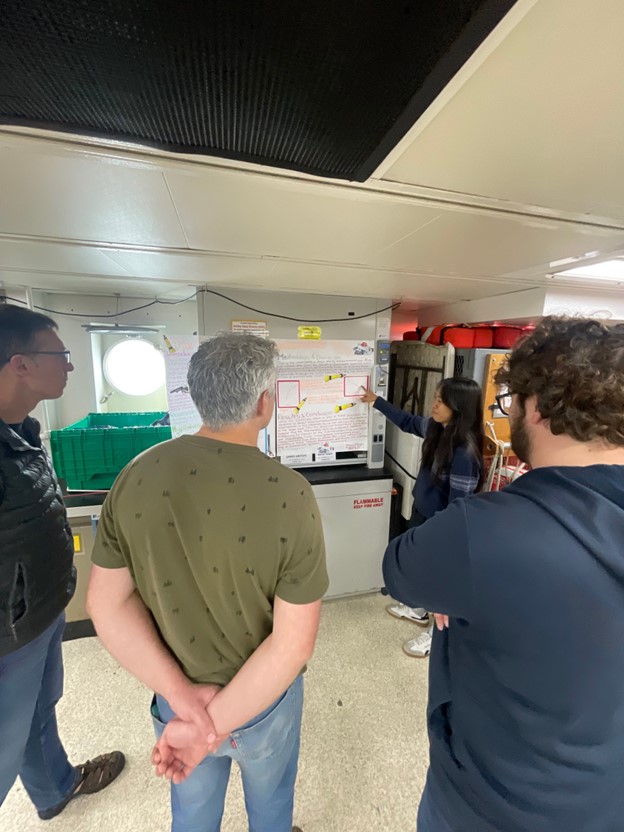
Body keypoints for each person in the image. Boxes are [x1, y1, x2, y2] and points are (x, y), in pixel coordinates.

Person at [383, 317, 624, 832]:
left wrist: (464, 565)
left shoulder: (483, 534)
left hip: (489, 806)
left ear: (535, 406)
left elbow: (398, 568)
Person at [87, 332, 328, 832]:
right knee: (271, 806)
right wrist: (214, 726)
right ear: (265, 402)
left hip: (175, 700)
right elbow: (291, 646)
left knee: (192, 815)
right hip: (263, 705)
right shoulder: (292, 494)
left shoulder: (136, 476)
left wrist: (185, 702)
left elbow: (106, 606)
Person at [0, 303, 125, 820]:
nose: (70, 366)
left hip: (40, 612)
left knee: (39, 711)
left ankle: (54, 787)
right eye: (61, 354)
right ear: (20, 364)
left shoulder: (24, 433)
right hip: (8, 634)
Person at [361, 378, 484, 657]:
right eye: (436, 396)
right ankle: (418, 609)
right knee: (419, 568)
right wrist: (376, 401)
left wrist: (441, 537)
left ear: (460, 407)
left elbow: (459, 507)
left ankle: (436, 636)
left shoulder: (465, 452)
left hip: (442, 526)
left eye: (441, 400)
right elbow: (406, 421)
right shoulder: (437, 430)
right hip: (423, 512)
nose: (434, 403)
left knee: (438, 578)